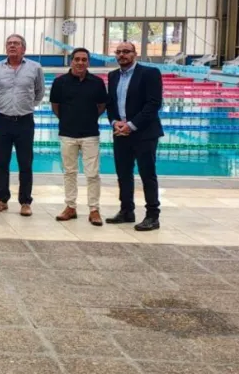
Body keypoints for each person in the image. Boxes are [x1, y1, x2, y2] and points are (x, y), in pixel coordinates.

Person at [106, 41, 164, 232]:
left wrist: (131, 125)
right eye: (119, 52)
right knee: (123, 174)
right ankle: (126, 210)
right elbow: (111, 104)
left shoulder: (149, 73)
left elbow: (153, 104)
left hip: (144, 133)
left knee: (147, 174)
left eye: (126, 51)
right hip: (120, 132)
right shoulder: (113, 75)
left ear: (134, 54)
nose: (122, 55)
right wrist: (115, 122)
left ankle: (152, 215)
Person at [0, 33, 44, 217]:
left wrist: (26, 106)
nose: (12, 46)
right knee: (2, 163)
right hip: (3, 120)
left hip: (24, 121)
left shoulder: (35, 68)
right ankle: (2, 199)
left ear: (24, 48)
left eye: (16, 43)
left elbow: (39, 93)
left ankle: (25, 202)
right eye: (9, 43)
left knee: (25, 163)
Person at [51, 47, 107, 226]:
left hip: (90, 134)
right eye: (77, 59)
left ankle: (94, 209)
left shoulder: (97, 82)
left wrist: (88, 119)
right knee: (69, 172)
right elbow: (55, 106)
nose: (80, 63)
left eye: (84, 59)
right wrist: (68, 120)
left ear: (88, 62)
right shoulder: (60, 82)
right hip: (67, 134)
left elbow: (101, 105)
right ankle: (70, 207)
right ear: (71, 61)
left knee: (93, 173)